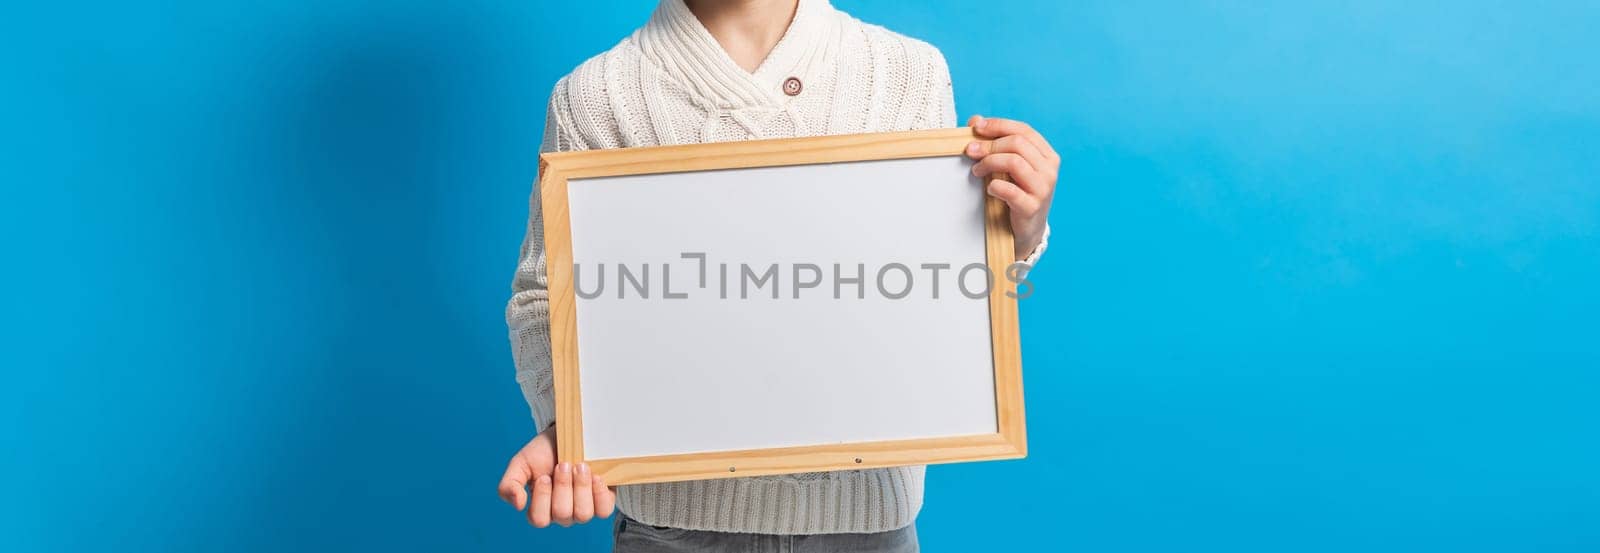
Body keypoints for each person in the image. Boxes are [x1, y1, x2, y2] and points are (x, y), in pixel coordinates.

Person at [497, 0, 1058, 550]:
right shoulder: (599, 94)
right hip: (672, 528)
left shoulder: (905, 71)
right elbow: (546, 296)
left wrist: (1017, 231)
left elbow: (933, 282)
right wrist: (567, 425)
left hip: (868, 521)